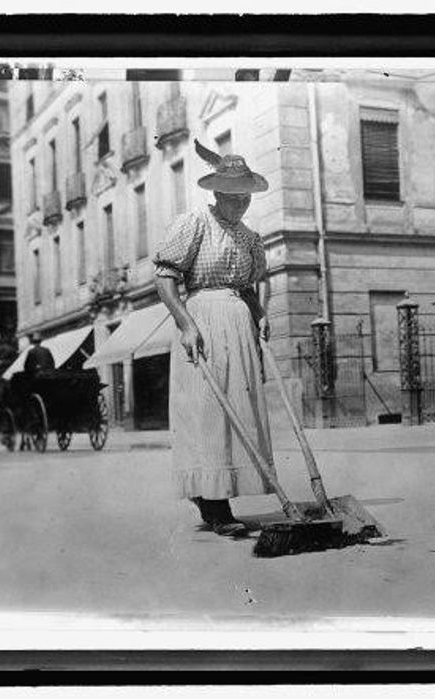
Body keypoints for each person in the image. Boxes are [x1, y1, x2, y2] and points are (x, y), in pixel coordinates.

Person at [153, 140, 274, 538]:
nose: (239, 203)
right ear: (217, 193)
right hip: (202, 321)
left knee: (239, 407)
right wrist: (187, 325)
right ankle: (213, 503)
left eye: (245, 197)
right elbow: (165, 278)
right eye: (232, 196)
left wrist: (259, 315)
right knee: (207, 410)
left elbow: (248, 288)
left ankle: (219, 495)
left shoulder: (249, 238)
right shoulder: (195, 224)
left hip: (238, 326)